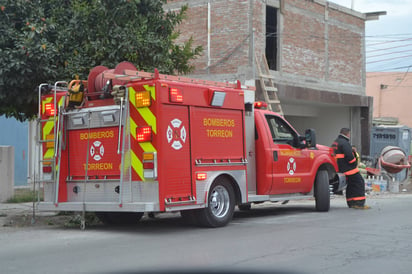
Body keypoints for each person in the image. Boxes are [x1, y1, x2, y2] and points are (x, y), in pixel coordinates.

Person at [332, 128, 370, 209]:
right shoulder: (345, 143)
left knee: (351, 185)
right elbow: (349, 156)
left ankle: (351, 202)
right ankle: (359, 203)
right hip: (348, 168)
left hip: (340, 168)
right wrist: (354, 163)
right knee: (359, 182)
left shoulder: (336, 142)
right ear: (347, 134)